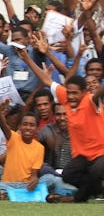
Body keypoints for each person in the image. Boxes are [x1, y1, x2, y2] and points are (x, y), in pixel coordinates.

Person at [19, 47, 104, 202]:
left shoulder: (91, 100)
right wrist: (26, 58)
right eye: (69, 92)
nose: (71, 96)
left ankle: (75, 199)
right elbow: (46, 80)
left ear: (84, 92)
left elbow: (100, 92)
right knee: (68, 175)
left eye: (75, 93)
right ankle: (96, 189)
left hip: (101, 152)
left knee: (95, 172)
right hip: (83, 156)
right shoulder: (64, 97)